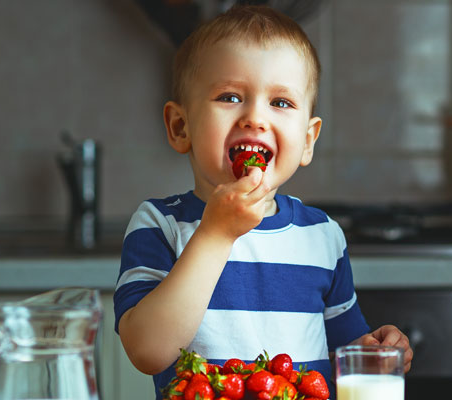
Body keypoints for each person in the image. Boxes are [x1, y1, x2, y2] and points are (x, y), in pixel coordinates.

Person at [113, 5, 412, 398]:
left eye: (281, 102)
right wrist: (215, 234)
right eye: (230, 96)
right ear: (180, 126)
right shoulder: (159, 224)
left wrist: (377, 351)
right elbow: (147, 351)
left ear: (307, 140)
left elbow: (345, 359)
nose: (255, 117)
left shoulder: (322, 236)